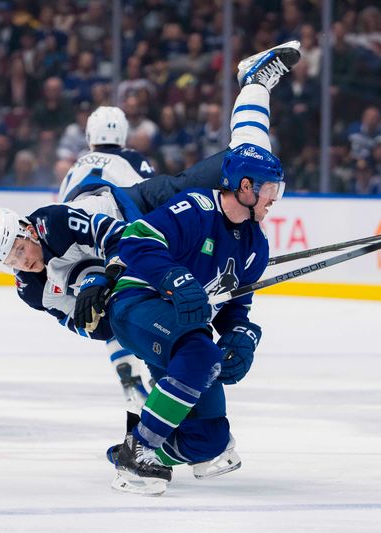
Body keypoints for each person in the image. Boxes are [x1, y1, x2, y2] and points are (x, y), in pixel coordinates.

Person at [83, 41, 301, 496]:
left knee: (211, 439)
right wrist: (175, 278)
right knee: (199, 353)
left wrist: (243, 334)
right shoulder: (195, 206)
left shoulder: (255, 245)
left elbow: (236, 305)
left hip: (181, 323)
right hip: (138, 301)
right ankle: (141, 451)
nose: (275, 199)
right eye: (269, 190)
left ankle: (140, 445)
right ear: (244, 187)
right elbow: (137, 240)